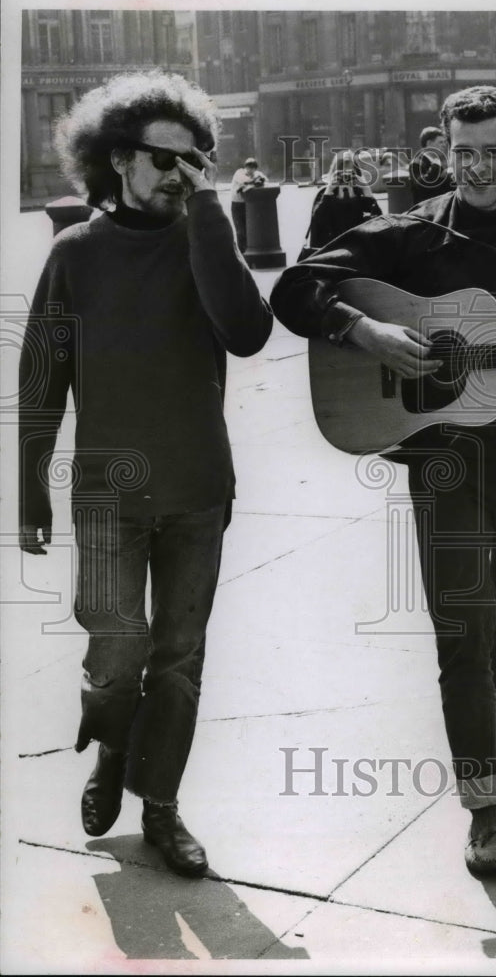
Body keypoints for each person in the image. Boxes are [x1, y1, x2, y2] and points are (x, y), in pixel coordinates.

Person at [270, 85, 496, 876]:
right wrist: (364, 328)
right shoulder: (405, 236)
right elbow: (292, 287)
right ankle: (481, 804)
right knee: (459, 625)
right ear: (443, 144)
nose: (475, 167)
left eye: (492, 153)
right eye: (462, 150)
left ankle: (480, 715)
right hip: (443, 455)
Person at [18, 71, 273, 877]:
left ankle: (160, 806)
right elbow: (40, 378)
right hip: (106, 495)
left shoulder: (202, 237)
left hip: (198, 486)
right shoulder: (76, 252)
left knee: (178, 660)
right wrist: (27, 485)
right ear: (118, 160)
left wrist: (209, 216)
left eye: (195, 161)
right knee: (117, 657)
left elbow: (247, 332)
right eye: (166, 162)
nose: (180, 176)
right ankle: (112, 744)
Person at [300, 149, 382, 259]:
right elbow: (317, 223)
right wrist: (329, 191)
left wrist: (367, 191)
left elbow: (378, 222)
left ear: (357, 174)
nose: (346, 179)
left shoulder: (361, 193)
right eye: (342, 175)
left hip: (357, 252)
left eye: (350, 175)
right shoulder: (325, 194)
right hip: (330, 252)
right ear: (334, 174)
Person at [408, 125, 455, 206]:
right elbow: (423, 186)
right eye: (440, 142)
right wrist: (436, 166)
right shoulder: (416, 162)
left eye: (444, 142)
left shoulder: (439, 162)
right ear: (429, 143)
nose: (444, 145)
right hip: (424, 210)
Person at [230, 157, 266, 254]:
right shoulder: (239, 173)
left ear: (255, 168)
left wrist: (258, 180)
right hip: (237, 205)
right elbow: (244, 181)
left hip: (249, 205)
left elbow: (265, 179)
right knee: (240, 231)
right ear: (245, 167)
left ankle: (249, 252)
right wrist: (256, 181)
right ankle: (242, 253)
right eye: (248, 167)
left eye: (253, 168)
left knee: (249, 230)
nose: (250, 170)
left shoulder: (257, 174)